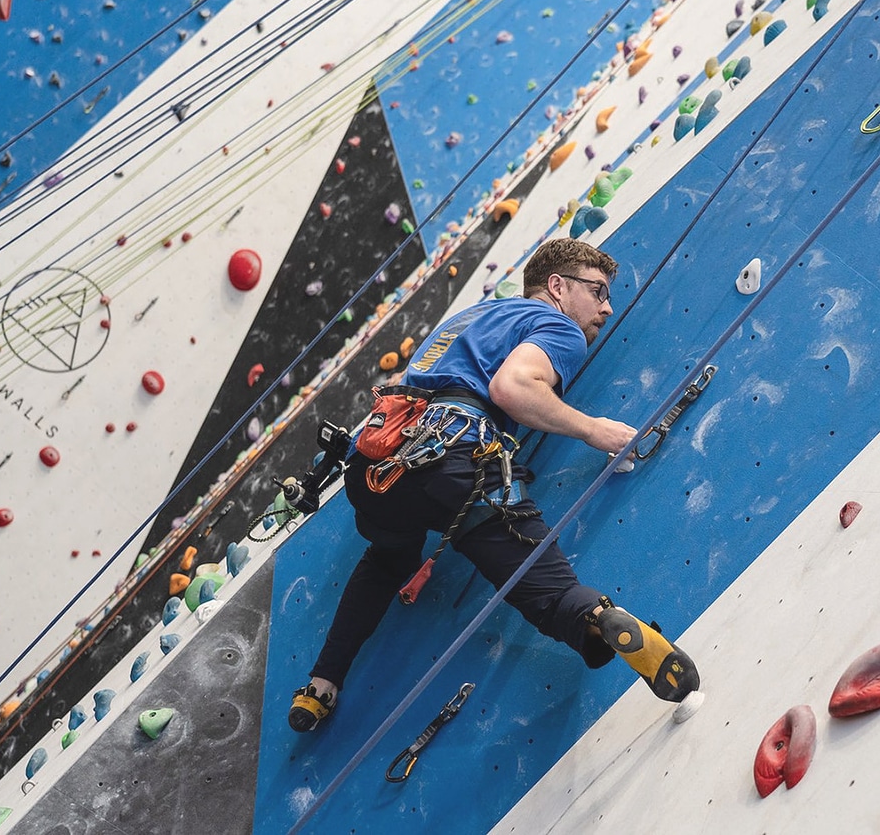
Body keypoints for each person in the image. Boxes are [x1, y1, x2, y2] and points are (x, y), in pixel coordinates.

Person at [289, 238, 699, 731]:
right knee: (545, 587)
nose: (607, 308)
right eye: (599, 291)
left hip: (374, 470)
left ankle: (321, 685)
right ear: (557, 287)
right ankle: (595, 617)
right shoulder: (557, 326)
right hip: (455, 459)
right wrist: (595, 430)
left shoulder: (469, 319)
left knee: (386, 558)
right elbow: (512, 387)